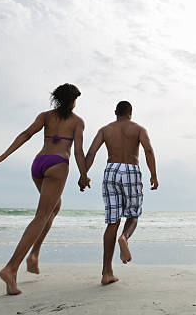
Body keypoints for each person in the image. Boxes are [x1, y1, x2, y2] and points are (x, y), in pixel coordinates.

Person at [0, 83, 88, 295]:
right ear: (72, 101)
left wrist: (3, 156)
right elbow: (78, 151)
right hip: (57, 165)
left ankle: (34, 256)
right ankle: (11, 268)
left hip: (38, 163)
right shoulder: (77, 122)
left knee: (54, 209)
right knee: (41, 216)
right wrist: (83, 175)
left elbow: (26, 134)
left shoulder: (45, 116)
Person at [80, 100, 158, 285]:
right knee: (133, 215)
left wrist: (84, 175)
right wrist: (153, 175)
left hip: (111, 170)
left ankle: (106, 272)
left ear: (116, 112)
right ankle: (124, 238)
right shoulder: (138, 129)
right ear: (131, 112)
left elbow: (91, 152)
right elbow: (148, 149)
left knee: (112, 221)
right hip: (131, 169)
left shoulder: (105, 130)